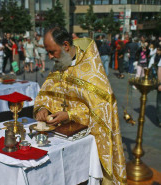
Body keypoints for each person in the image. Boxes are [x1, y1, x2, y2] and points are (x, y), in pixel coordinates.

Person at [34, 26, 126, 185]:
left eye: (52, 51)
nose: (50, 57)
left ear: (66, 46)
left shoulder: (90, 68)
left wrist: (70, 115)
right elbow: (47, 92)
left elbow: (103, 108)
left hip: (88, 138)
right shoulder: (61, 63)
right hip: (60, 135)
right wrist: (43, 108)